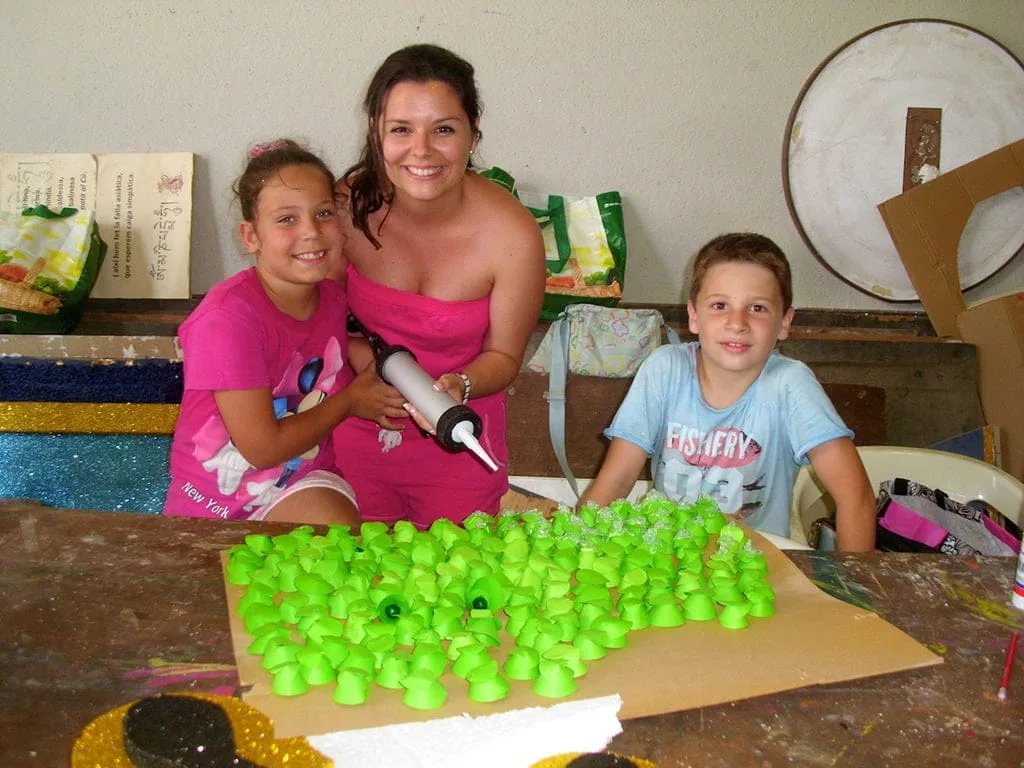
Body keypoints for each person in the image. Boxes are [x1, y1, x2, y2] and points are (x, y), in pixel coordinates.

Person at [330, 43, 546, 528]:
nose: (421, 150)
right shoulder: (348, 206)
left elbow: (505, 358)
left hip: (458, 438)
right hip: (354, 424)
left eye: (443, 129)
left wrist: (457, 387)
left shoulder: (513, 236)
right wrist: (368, 371)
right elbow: (317, 316)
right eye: (401, 129)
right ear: (376, 132)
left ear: (473, 134)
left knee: (454, 590)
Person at [580, 233, 876, 551]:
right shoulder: (664, 367)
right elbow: (617, 479)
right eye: (720, 305)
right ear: (694, 315)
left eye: (758, 308)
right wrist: (577, 545)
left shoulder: (790, 385)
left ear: (785, 322)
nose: (737, 323)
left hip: (758, 564)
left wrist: (852, 590)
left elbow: (855, 497)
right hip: (664, 556)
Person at [164, 140, 404, 526]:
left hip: (300, 485)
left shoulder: (329, 298)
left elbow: (335, 350)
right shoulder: (227, 321)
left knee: (337, 544)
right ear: (250, 236)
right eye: (287, 219)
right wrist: (351, 401)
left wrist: (386, 369)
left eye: (323, 213)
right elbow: (262, 448)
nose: (311, 231)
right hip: (212, 510)